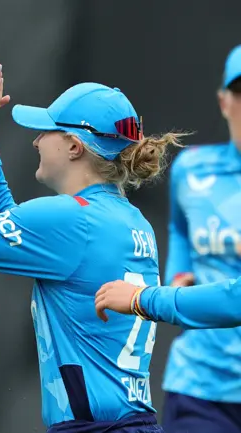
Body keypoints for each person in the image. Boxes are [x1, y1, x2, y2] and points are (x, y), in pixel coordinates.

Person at [0, 61, 183, 432]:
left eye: (46, 131)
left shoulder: (73, 219)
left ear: (74, 147)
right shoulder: (130, 220)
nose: (36, 140)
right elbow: (13, 237)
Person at [144, 43, 241, 433]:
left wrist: (149, 300)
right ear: (223, 101)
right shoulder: (192, 170)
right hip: (200, 384)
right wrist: (178, 271)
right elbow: (179, 228)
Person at [94, 276, 241, 329]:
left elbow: (235, 301)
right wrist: (177, 272)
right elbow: (179, 229)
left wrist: (140, 298)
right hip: (195, 370)